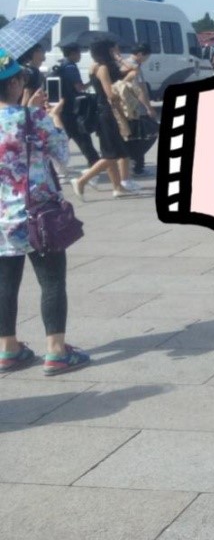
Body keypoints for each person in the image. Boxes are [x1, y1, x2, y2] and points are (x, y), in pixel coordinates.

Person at [0, 50, 90, 375]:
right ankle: (56, 351)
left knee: (5, 284)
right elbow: (63, 156)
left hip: (2, 219)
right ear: (15, 83)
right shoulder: (34, 120)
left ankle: (8, 349)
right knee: (51, 281)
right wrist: (54, 117)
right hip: (39, 215)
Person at [70, 39, 133, 198]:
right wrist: (121, 92)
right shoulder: (103, 68)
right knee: (111, 154)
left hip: (103, 112)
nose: (115, 52)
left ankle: (117, 187)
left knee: (115, 152)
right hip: (108, 113)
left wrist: (118, 59)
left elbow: (132, 69)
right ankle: (82, 180)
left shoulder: (94, 66)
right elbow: (110, 94)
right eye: (113, 50)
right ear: (107, 51)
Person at [122, 43, 160, 177]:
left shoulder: (125, 63)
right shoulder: (134, 67)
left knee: (138, 135)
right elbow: (139, 90)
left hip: (128, 107)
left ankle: (138, 165)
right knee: (150, 132)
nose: (147, 59)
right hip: (136, 107)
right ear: (140, 54)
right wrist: (149, 108)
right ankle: (135, 162)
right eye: (147, 56)